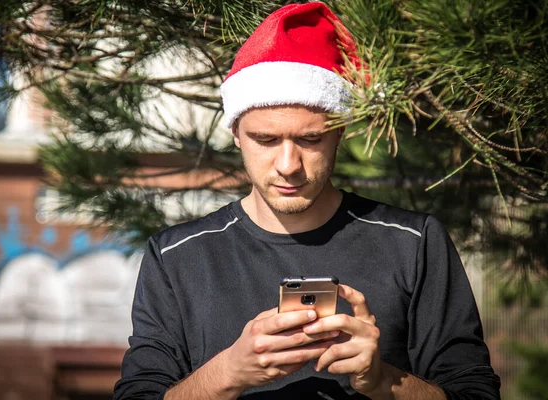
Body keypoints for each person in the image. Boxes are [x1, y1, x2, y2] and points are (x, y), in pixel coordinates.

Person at [113, 2, 501, 399]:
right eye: (265, 139)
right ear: (235, 133)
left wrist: (384, 380)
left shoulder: (414, 243)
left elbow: (476, 394)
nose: (287, 165)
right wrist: (229, 372)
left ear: (340, 132)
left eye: (310, 139)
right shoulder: (177, 256)